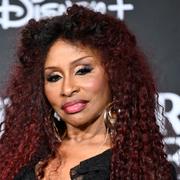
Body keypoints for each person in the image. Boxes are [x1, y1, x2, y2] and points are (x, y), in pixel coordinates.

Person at [0, 4, 176, 180]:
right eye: (54, 77)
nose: (67, 89)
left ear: (114, 74)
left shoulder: (142, 169)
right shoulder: (20, 159)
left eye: (83, 70)